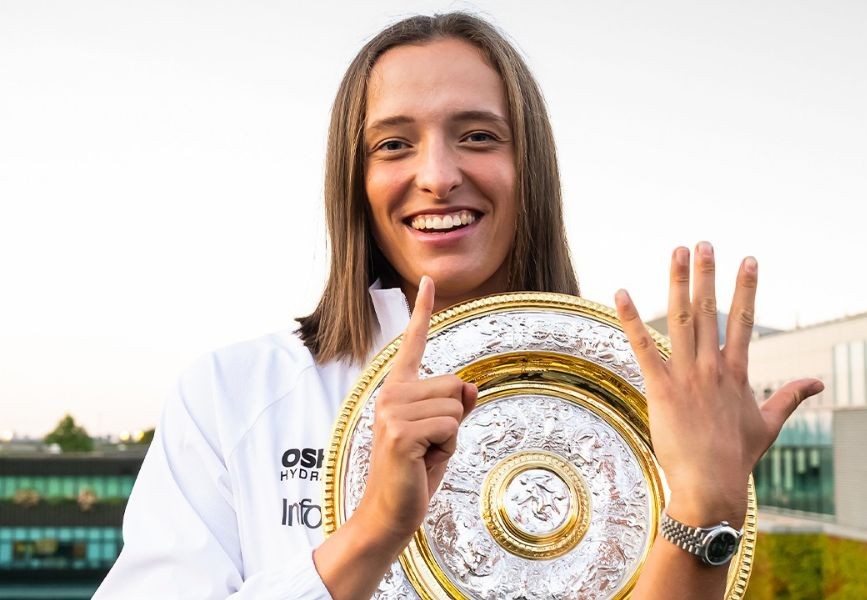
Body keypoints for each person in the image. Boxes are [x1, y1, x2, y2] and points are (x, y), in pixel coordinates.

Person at [94, 12, 823, 600]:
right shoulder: (234, 395)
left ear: (529, 167)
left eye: (478, 136)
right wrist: (371, 533)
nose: (438, 175)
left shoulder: (634, 404)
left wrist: (703, 507)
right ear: (355, 180)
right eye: (393, 144)